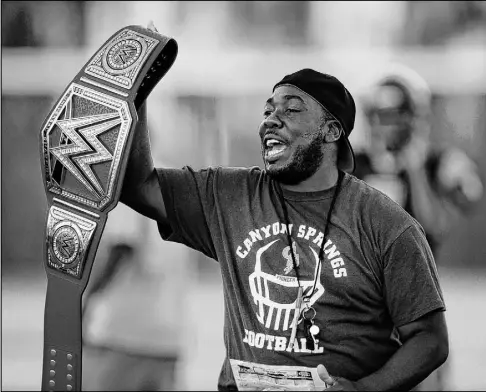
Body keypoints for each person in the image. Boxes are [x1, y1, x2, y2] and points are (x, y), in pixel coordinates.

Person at [120, 27, 449, 389]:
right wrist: (136, 95)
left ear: (331, 131)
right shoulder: (228, 194)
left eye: (292, 110)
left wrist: (364, 388)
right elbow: (139, 185)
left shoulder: (386, 223)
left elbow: (430, 340)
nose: (271, 119)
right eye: (268, 110)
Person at [352, 64, 484, 390]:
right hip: (359, 309)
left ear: (413, 117)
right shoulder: (353, 163)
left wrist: (414, 170)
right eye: (379, 114)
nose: (384, 125)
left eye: (393, 114)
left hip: (415, 310)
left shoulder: (435, 163)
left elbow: (436, 225)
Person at [81, 210, 184, 391]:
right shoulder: (182, 200)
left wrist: (85, 300)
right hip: (169, 337)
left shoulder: (130, 198)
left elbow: (122, 247)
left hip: (123, 337)